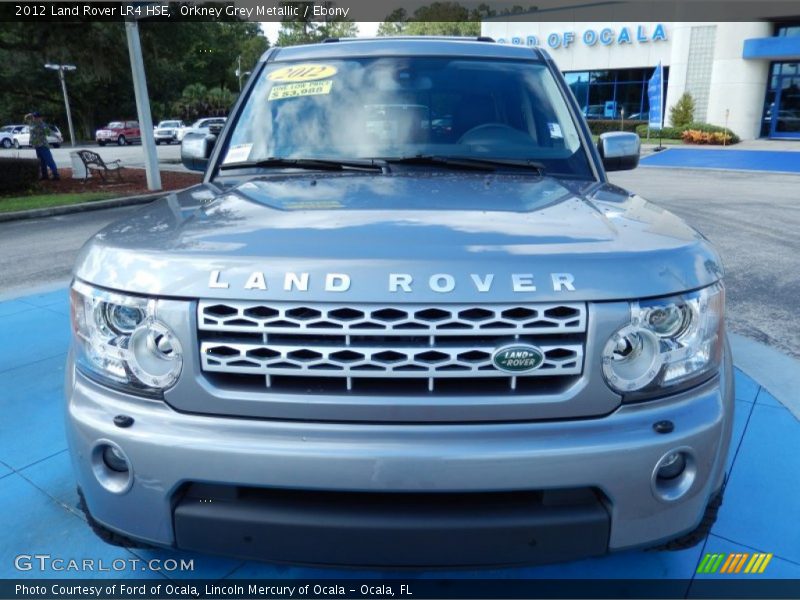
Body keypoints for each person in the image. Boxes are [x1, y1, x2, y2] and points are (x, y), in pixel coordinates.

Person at [24, 111, 59, 180]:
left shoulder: (42, 125)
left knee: (49, 161)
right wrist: (30, 114)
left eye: (36, 117)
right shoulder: (31, 123)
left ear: (40, 118)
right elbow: (26, 118)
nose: (35, 118)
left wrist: (58, 137)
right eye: (34, 117)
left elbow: (49, 132)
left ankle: (56, 175)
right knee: (42, 162)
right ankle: (44, 175)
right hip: (37, 146)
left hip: (43, 145)